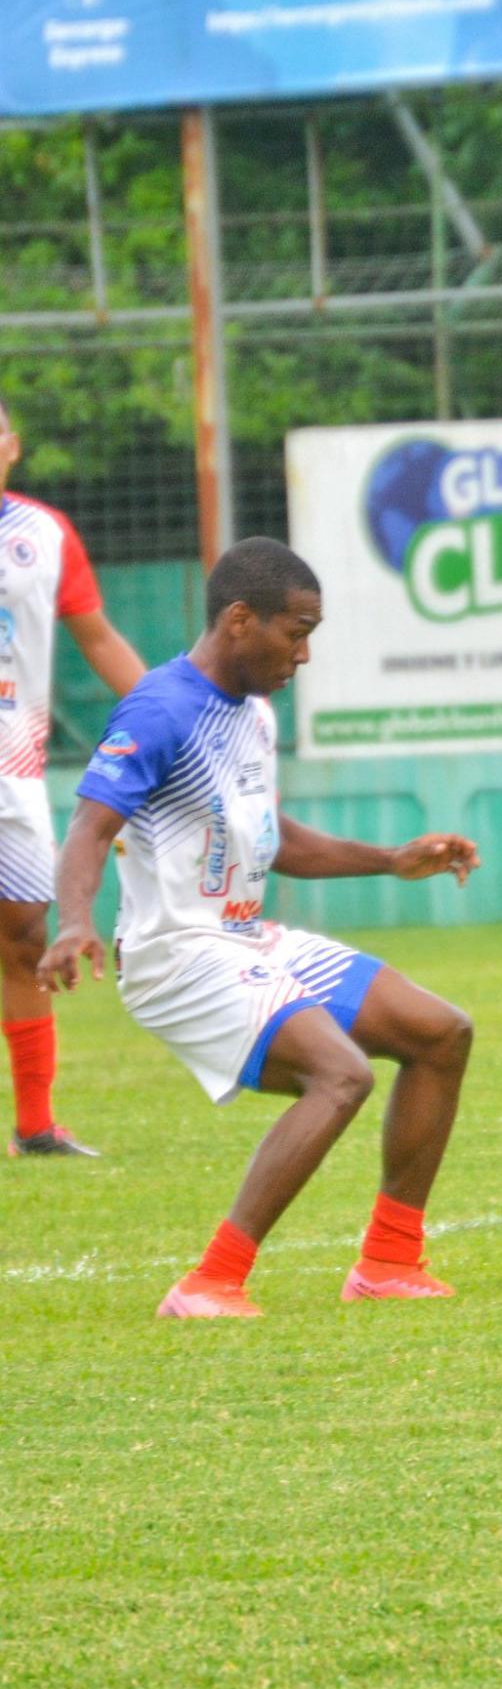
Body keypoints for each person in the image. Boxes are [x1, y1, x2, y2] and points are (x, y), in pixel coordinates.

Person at [38, 537, 481, 1319]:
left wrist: (391, 859)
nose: (304, 653)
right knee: (341, 1075)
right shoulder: (160, 708)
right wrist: (74, 921)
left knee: (440, 1033)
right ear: (241, 619)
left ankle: (388, 1263)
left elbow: (280, 841)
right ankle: (210, 1282)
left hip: (243, 937)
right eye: (296, 630)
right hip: (176, 957)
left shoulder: (253, 716)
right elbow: (88, 829)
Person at [0, 393, 147, 1159]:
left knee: (24, 939)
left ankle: (34, 1126)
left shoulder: (45, 535)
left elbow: (95, 635)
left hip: (13, 767)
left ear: (12, 447)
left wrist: (170, 714)